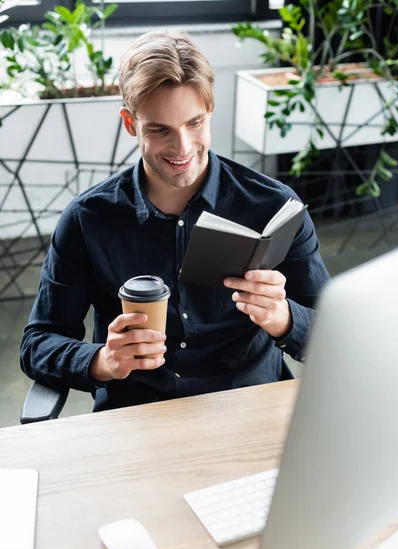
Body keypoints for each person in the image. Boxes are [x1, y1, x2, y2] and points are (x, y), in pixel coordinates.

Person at [20, 30, 330, 412]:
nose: (182, 148)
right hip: (139, 416)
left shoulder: (274, 206)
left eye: (194, 123)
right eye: (159, 129)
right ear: (130, 124)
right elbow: (38, 343)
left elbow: (334, 337)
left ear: (210, 111)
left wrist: (284, 318)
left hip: (249, 410)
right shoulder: (88, 220)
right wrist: (102, 361)